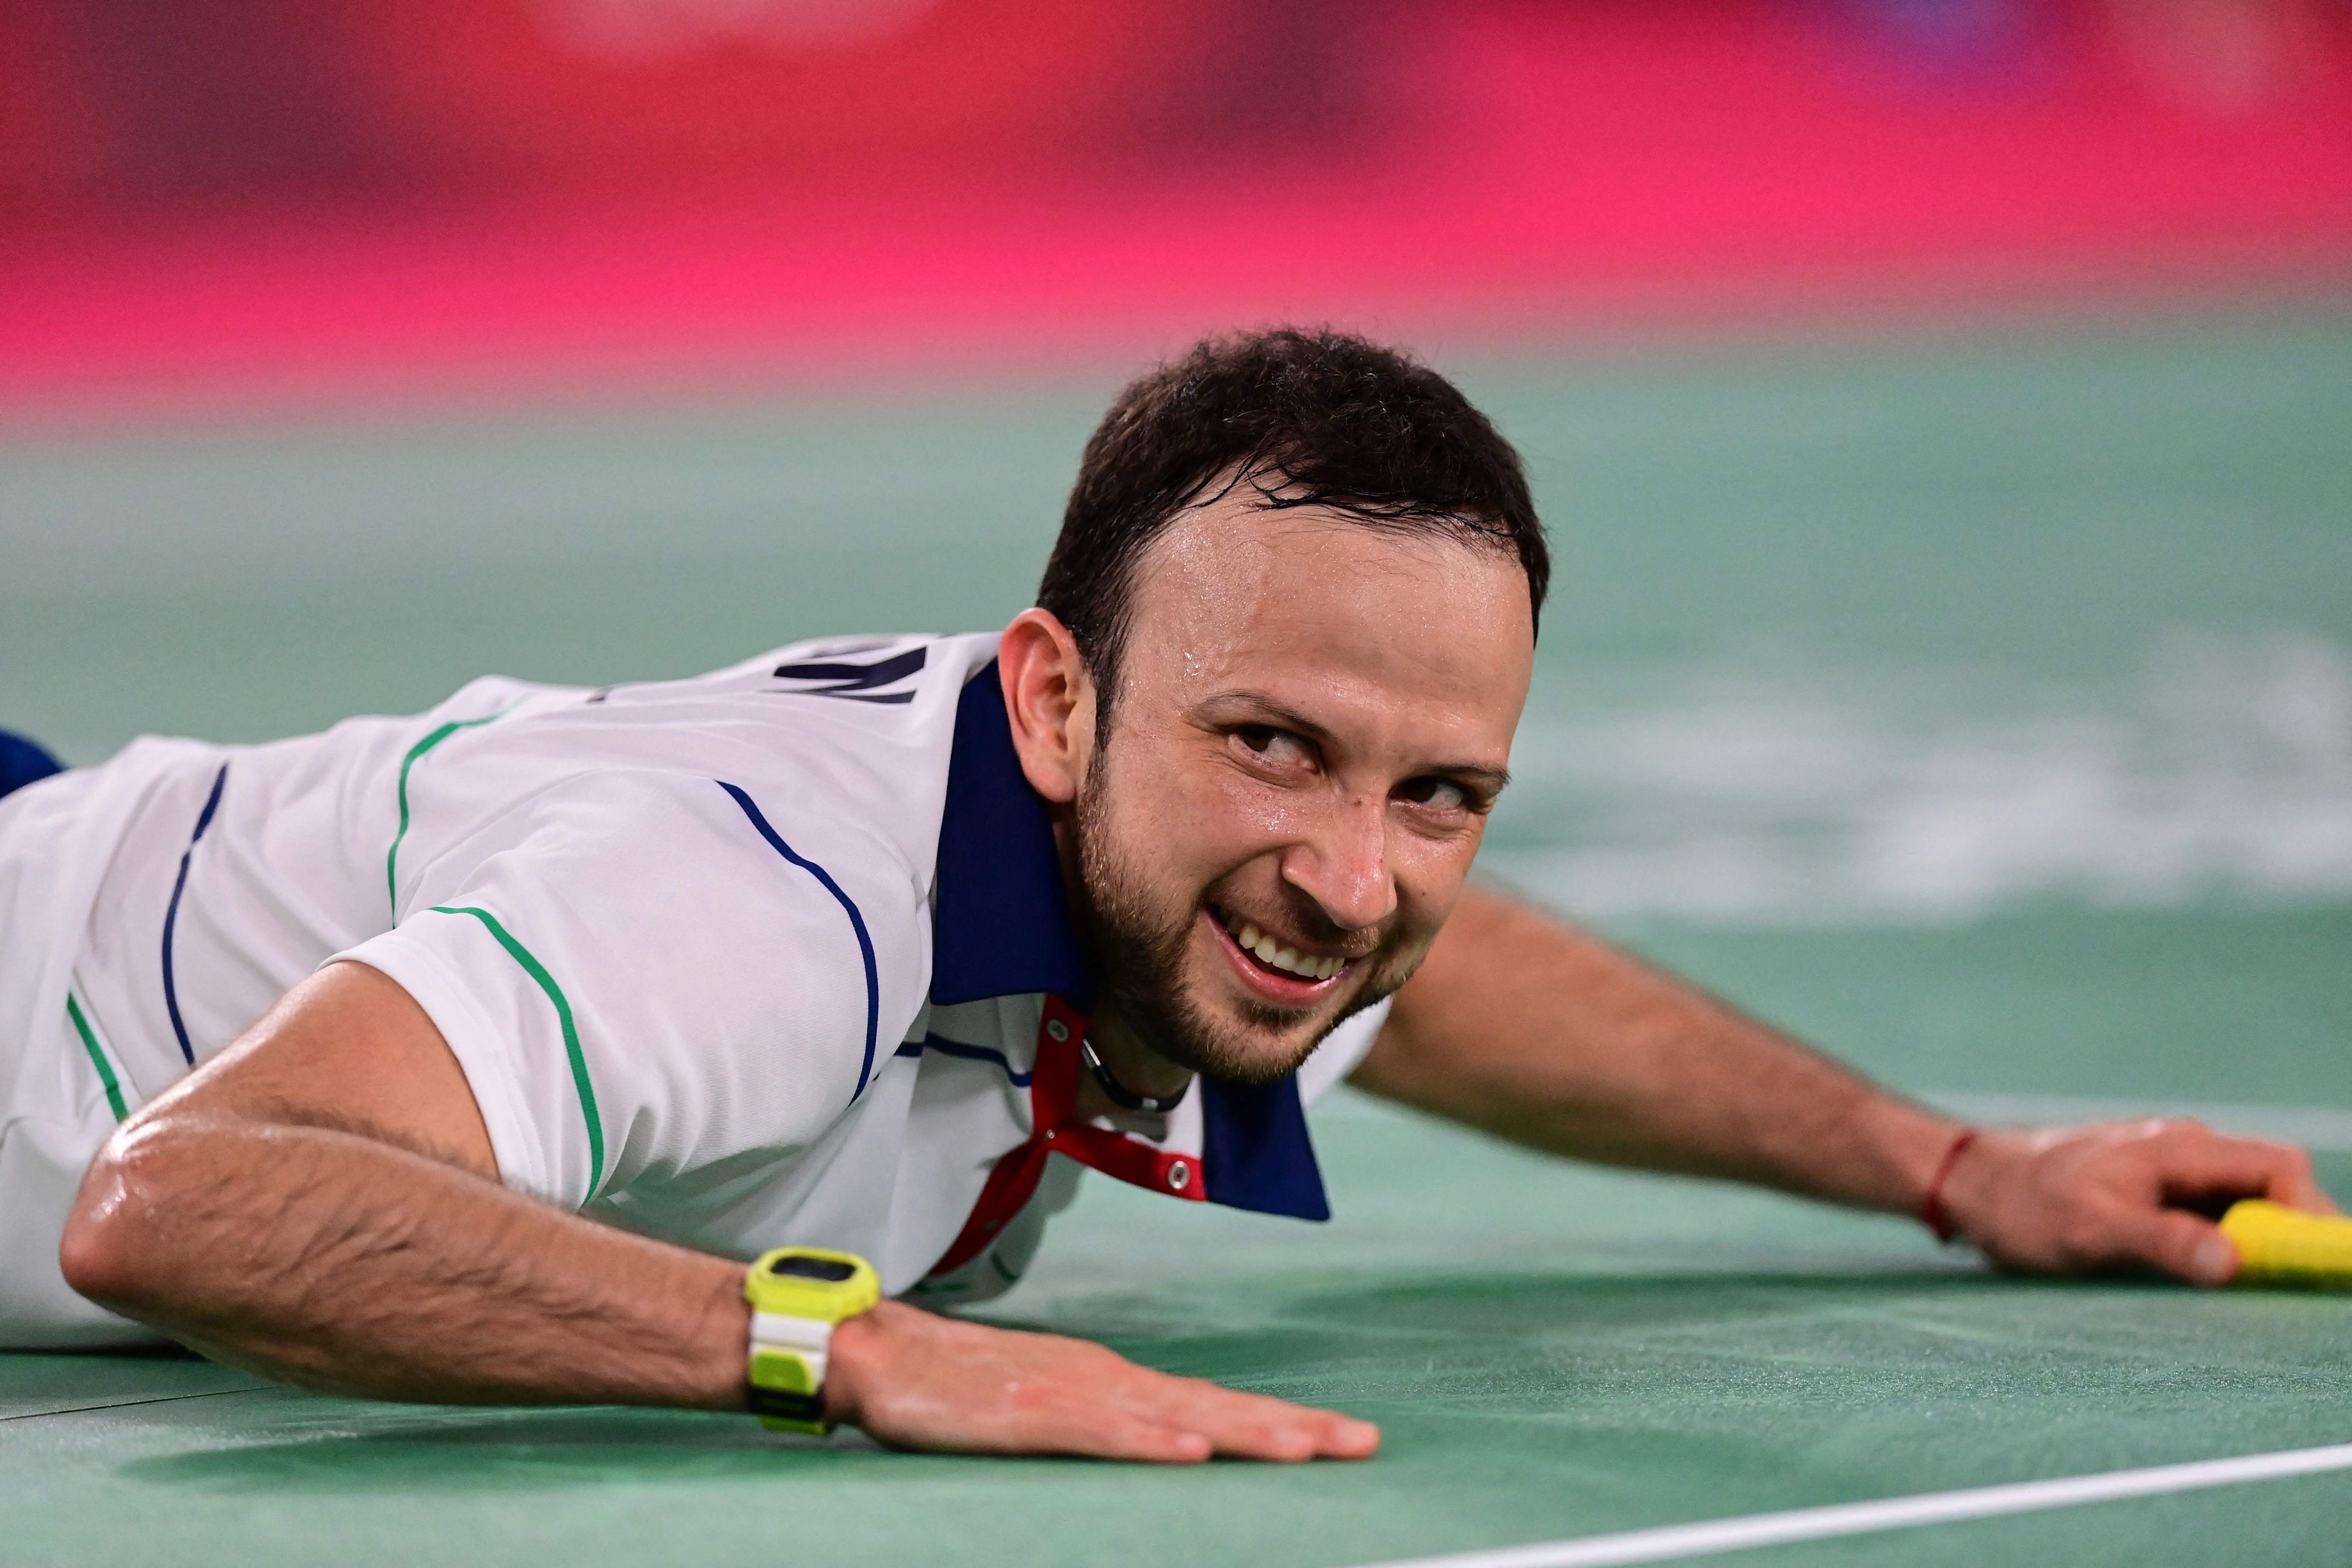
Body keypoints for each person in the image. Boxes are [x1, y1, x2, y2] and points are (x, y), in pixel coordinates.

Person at [0, 330, 2332, 1464]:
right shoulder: (767, 902)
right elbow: (183, 1200)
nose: (1354, 874)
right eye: (1277, 747)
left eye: (1442, 791)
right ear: (1054, 700)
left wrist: (1954, 1166)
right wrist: (844, 1346)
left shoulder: (1183, 863)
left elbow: (1428, 975)